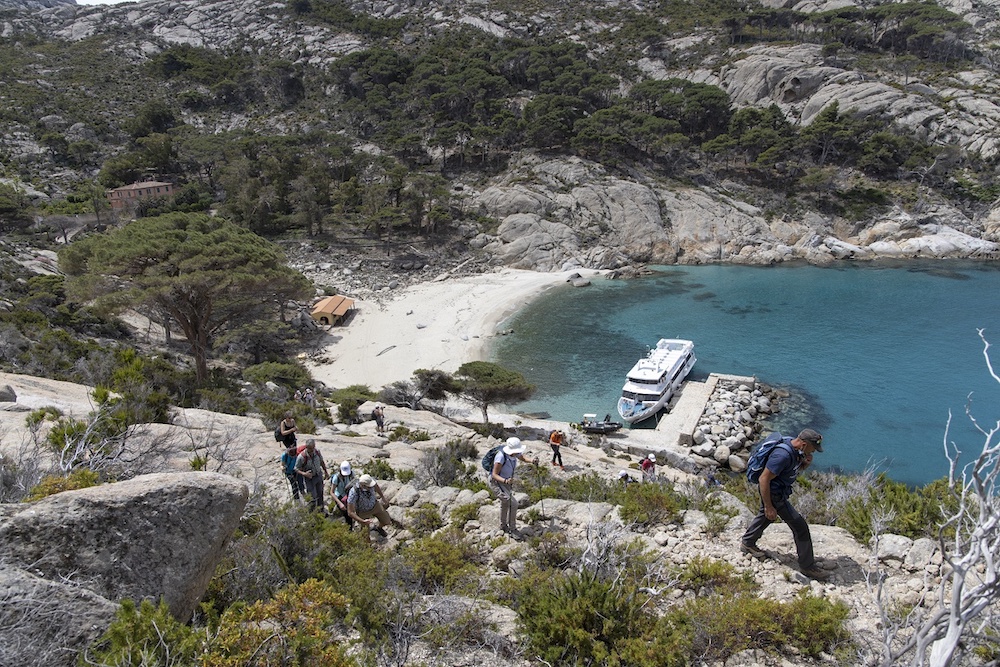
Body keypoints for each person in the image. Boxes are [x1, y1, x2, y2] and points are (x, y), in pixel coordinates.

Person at [740, 428, 829, 580]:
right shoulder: (782, 456)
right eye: (812, 449)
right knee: (800, 527)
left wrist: (804, 465)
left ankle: (748, 542)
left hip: (779, 493)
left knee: (767, 517)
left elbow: (791, 471)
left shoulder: (796, 451)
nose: (813, 452)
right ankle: (807, 567)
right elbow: (764, 479)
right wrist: (769, 505)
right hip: (775, 495)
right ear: (803, 444)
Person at [490, 437, 538, 538]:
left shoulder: (514, 454)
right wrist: (505, 481)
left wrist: (532, 460)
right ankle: (512, 529)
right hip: (497, 483)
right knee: (513, 504)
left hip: (506, 483)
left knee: (505, 503)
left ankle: (503, 526)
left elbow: (523, 458)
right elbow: (494, 474)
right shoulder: (501, 457)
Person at [347, 474, 397, 542]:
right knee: (365, 535)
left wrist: (382, 497)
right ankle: (368, 548)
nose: (371, 487)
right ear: (363, 485)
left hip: (375, 505)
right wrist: (362, 521)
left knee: (386, 521)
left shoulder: (370, 481)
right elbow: (350, 512)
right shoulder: (354, 492)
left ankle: (378, 528)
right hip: (363, 512)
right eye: (369, 486)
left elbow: (376, 487)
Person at [295, 439, 328, 512]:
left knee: (320, 494)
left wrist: (325, 471)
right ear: (307, 447)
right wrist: (304, 474)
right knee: (312, 497)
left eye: (313, 447)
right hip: (309, 479)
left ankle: (321, 511)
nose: (312, 450)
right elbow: (296, 468)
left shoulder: (317, 452)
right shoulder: (302, 456)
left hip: (318, 475)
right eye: (310, 448)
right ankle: (312, 513)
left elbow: (321, 461)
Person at [330, 460, 356, 528]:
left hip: (348, 494)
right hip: (340, 496)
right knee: (347, 514)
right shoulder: (336, 478)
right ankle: (349, 529)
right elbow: (332, 492)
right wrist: (340, 503)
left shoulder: (352, 474)